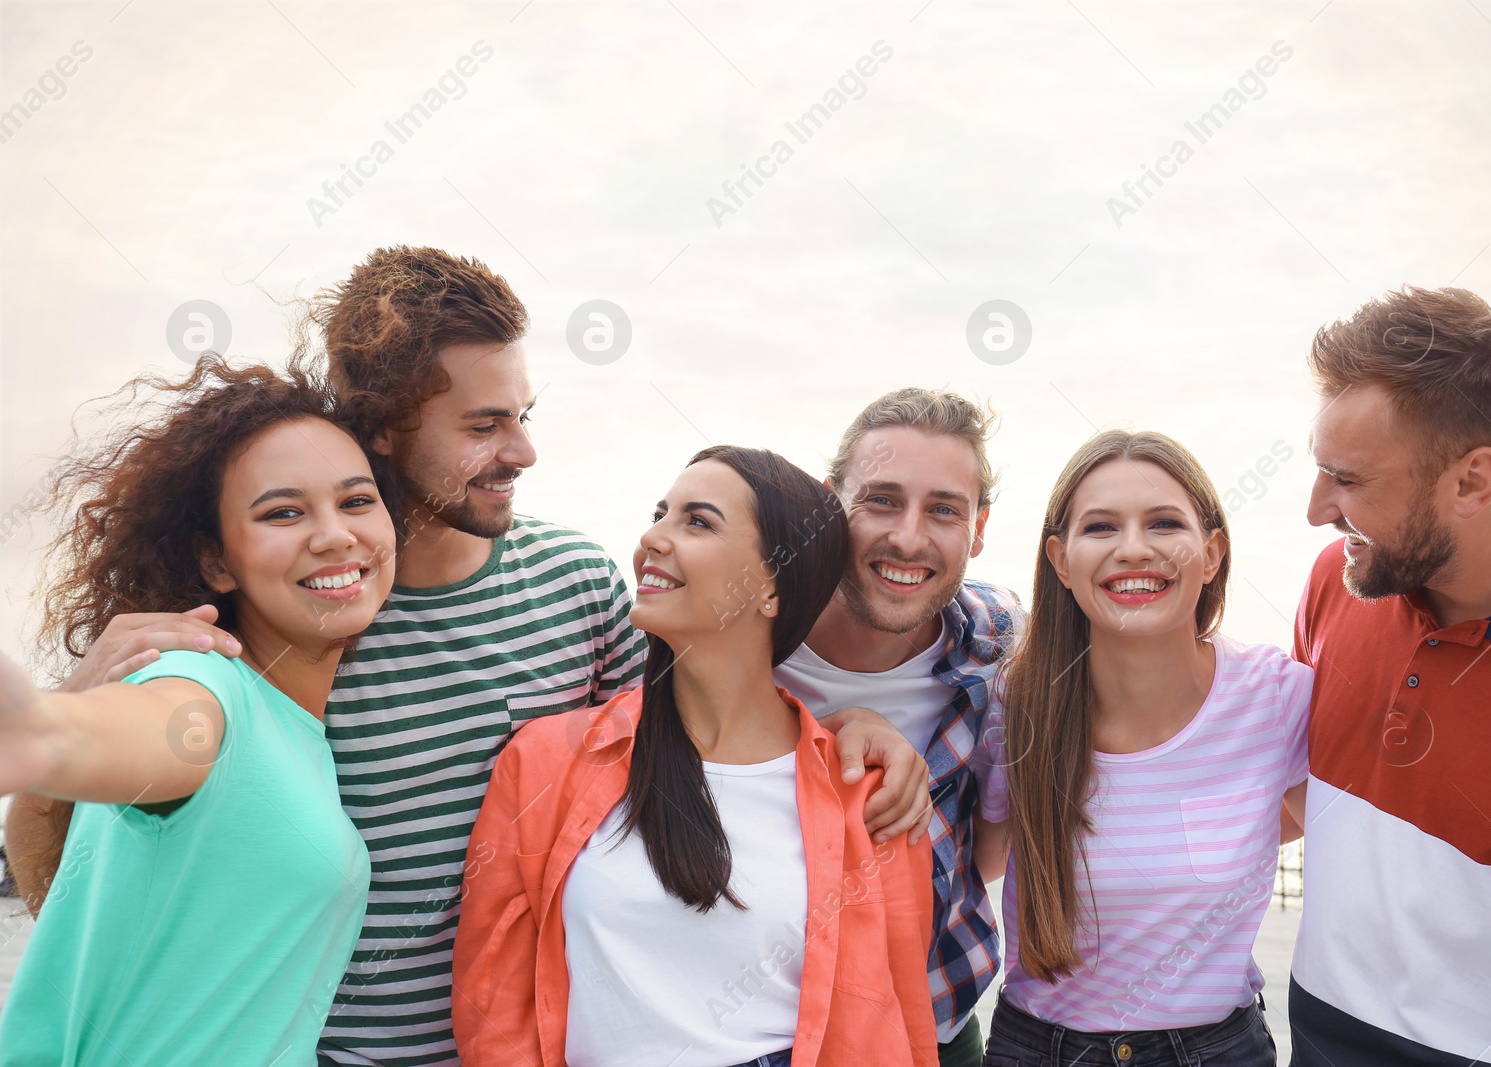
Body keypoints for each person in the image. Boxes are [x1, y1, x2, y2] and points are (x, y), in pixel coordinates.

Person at [5, 247, 932, 1066]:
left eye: (524, 413)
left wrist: (845, 726)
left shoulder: (577, 585)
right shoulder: (292, 619)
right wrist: (54, 735)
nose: (523, 450)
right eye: (484, 425)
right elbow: (128, 816)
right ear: (382, 431)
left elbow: (674, 746)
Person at [453, 445, 937, 1066]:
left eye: (697, 521)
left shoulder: (868, 795)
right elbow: (492, 996)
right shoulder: (545, 762)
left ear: (772, 586)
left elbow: (895, 1019)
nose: (654, 537)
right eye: (660, 513)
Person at [0, 359, 395, 1064]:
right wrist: (46, 729)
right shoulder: (200, 675)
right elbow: (156, 733)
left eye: (357, 500)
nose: (335, 534)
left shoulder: (294, 726)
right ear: (217, 561)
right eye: (283, 512)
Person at [1289, 286, 1491, 1065]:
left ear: (1472, 482)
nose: (1317, 508)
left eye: (1349, 480)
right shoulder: (1340, 580)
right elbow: (1286, 791)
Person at [976, 430, 1309, 1067]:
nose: (1134, 550)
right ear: (1061, 560)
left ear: (1211, 554)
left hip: (1218, 1050)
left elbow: (1313, 817)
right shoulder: (1011, 704)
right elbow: (983, 857)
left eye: (1164, 523)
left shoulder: (1277, 698)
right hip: (1038, 1048)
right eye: (1101, 528)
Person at [773, 388, 1023, 1066]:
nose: (909, 537)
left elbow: (992, 847)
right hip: (759, 1032)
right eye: (881, 499)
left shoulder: (1001, 642)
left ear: (978, 528)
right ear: (831, 505)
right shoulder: (743, 636)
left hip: (937, 1024)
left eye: (943, 509)